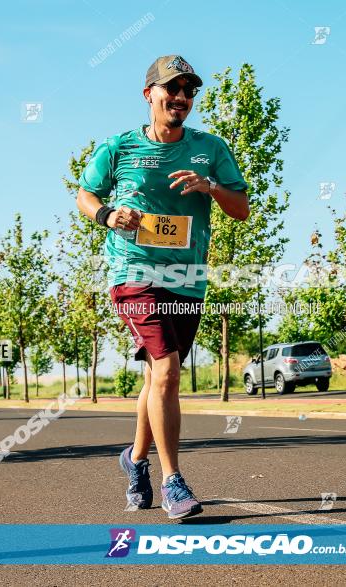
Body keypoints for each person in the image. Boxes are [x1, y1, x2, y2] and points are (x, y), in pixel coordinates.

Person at [76, 55, 249, 520]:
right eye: (172, 89)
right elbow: (85, 194)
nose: (182, 98)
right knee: (168, 371)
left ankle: (134, 461)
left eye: (189, 91)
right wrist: (108, 215)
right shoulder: (118, 147)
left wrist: (210, 186)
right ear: (149, 93)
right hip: (134, 273)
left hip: (188, 279)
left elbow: (242, 209)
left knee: (157, 378)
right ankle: (174, 482)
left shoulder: (211, 149)